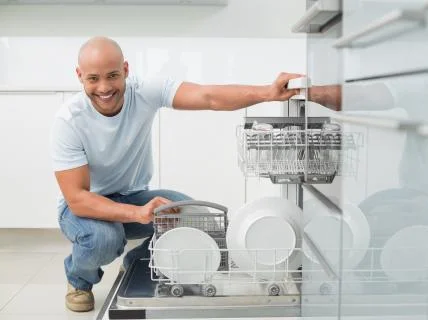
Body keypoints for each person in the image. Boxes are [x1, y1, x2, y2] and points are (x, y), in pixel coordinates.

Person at [49, 36, 303, 312]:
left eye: (112, 76)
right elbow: (77, 199)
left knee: (194, 217)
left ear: (125, 70)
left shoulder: (144, 91)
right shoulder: (69, 121)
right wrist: (137, 214)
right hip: (83, 210)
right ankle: (78, 278)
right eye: (93, 79)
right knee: (104, 239)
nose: (104, 87)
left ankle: (136, 262)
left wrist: (267, 92)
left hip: (131, 195)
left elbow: (208, 97)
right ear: (79, 76)